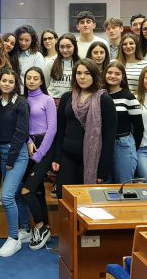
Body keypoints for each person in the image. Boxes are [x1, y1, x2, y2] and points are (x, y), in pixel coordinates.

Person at [52, 59, 117, 197]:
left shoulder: (105, 100)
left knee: (86, 199)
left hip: (92, 158)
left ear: (94, 75)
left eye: (87, 73)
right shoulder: (66, 97)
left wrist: (102, 170)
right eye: (78, 73)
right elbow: (60, 130)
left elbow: (109, 137)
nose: (82, 77)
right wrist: (57, 157)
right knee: (62, 196)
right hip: (68, 155)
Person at [21, 67, 56, 251]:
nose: (32, 81)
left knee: (26, 191)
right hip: (28, 146)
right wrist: (28, 141)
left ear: (41, 81)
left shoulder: (47, 100)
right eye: (29, 78)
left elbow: (52, 130)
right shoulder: (23, 100)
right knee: (38, 191)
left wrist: (40, 153)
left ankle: (41, 226)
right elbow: (23, 126)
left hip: (44, 147)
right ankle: (47, 227)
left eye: (36, 78)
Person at [0, 68, 30, 258]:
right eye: (4, 80)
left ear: (16, 84)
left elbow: (21, 132)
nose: (7, 84)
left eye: (11, 81)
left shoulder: (21, 103)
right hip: (1, 151)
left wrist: (11, 158)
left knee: (6, 197)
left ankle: (14, 238)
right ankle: (25, 228)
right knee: (15, 194)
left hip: (16, 153)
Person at [104, 61, 143, 183]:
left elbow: (139, 127)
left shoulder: (129, 97)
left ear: (123, 77)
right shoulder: (99, 95)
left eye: (117, 74)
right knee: (105, 185)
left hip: (123, 145)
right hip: (103, 144)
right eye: (110, 72)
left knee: (123, 186)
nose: (113, 76)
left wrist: (131, 146)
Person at [44, 33, 80, 102]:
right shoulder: (51, 62)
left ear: (74, 46)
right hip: (53, 100)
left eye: (68, 47)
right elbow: (46, 84)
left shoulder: (79, 63)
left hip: (72, 100)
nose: (65, 50)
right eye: (62, 47)